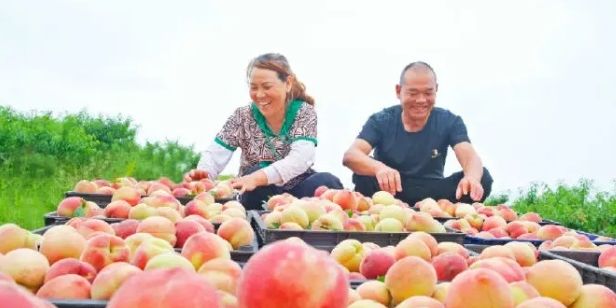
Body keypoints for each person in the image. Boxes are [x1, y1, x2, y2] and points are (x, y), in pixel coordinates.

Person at [184, 53, 343, 210]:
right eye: (254, 87)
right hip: (259, 196)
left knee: (327, 183)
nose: (259, 95)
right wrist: (203, 175)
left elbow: (301, 159)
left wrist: (256, 178)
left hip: (299, 195)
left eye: (267, 87)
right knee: (255, 179)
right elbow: (215, 154)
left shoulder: (303, 112)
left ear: (287, 83)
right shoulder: (242, 116)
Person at [342, 61, 493, 207]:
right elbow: (351, 155)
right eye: (413, 93)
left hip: (433, 196)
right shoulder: (381, 120)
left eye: (428, 93)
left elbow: (469, 157)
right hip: (390, 191)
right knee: (363, 172)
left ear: (436, 89)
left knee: (482, 177)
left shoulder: (450, 121)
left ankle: (442, 216)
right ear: (398, 91)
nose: (421, 100)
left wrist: (471, 178)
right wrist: (379, 168)